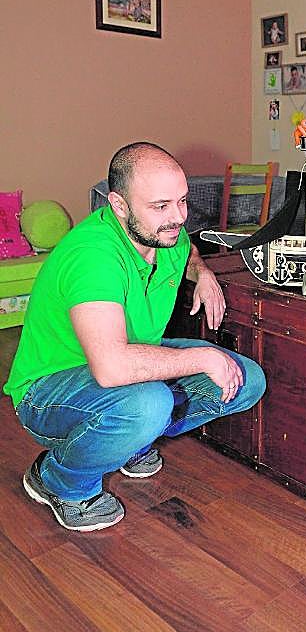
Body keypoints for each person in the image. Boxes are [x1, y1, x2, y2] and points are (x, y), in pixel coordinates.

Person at [3, 142, 266, 532]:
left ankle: (126, 440)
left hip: (130, 362)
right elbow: (111, 368)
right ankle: (58, 479)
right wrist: (204, 358)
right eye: (160, 206)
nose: (177, 217)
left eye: (182, 201)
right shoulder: (93, 256)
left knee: (247, 380)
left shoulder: (165, 235)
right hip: (49, 390)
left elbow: (188, 249)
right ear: (119, 205)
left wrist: (203, 273)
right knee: (149, 404)